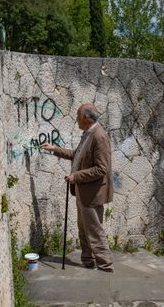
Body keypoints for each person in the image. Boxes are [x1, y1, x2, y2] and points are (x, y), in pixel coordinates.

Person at [41, 103, 114, 272]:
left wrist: (76, 176)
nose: (76, 120)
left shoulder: (99, 136)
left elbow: (102, 168)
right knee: (83, 228)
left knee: (94, 229)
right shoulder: (88, 134)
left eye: (77, 116)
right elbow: (78, 155)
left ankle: (105, 264)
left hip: (92, 193)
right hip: (83, 191)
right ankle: (88, 259)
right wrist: (55, 149)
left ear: (86, 118)